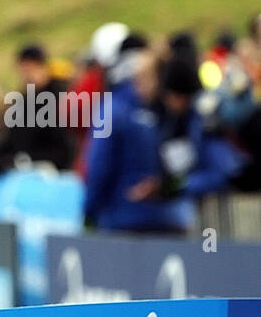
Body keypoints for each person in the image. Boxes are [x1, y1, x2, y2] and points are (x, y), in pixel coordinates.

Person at [84, 53, 240, 234]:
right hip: (169, 219)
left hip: (136, 221)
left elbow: (222, 172)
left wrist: (170, 188)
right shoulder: (160, 119)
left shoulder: (197, 120)